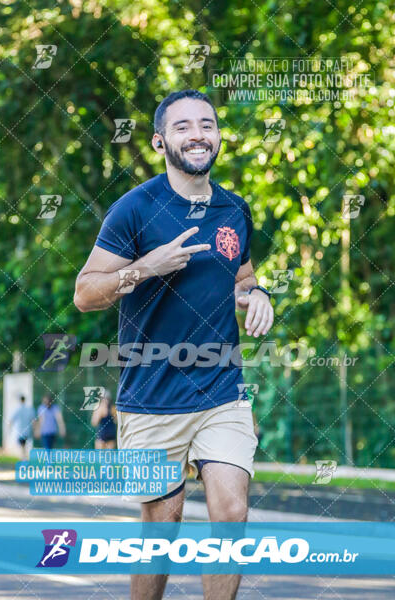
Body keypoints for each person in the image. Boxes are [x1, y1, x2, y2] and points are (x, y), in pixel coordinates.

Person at [74, 89, 274, 600]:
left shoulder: (234, 209)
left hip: (221, 389)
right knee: (163, 527)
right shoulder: (134, 209)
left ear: (219, 136)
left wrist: (257, 296)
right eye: (183, 126)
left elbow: (242, 278)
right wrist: (146, 268)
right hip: (151, 395)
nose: (198, 134)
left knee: (231, 511)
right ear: (161, 141)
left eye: (206, 124)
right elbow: (85, 293)